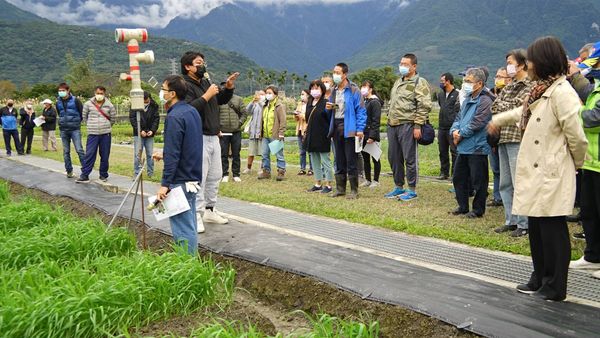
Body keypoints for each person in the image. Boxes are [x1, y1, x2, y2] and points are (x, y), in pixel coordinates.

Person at [489, 36, 588, 301]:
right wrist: (497, 120)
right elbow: (522, 111)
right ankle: (539, 277)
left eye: (531, 59)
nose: (528, 64)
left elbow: (577, 136)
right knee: (536, 226)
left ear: (543, 61)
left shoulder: (562, 92)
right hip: (536, 170)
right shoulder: (540, 89)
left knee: (552, 228)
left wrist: (575, 165)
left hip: (551, 170)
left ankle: (555, 286)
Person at [181, 51, 239, 228]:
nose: (202, 66)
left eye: (203, 63)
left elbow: (219, 100)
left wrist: (228, 87)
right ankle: (195, 215)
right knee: (199, 177)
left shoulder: (205, 81)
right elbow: (189, 109)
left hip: (214, 135)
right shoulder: (184, 86)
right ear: (188, 67)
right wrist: (206, 95)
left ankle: (209, 210)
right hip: (198, 137)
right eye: (198, 63)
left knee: (215, 176)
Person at [155, 75, 203, 255]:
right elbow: (187, 145)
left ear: (172, 94)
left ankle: (187, 265)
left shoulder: (174, 116)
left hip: (180, 179)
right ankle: (192, 263)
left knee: (182, 228)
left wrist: (165, 184)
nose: (161, 92)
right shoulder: (191, 112)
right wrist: (165, 153)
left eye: (163, 89)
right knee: (189, 223)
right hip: (193, 177)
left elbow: (175, 153)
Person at [492, 50, 534, 237]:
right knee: (505, 182)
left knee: (520, 182)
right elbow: (495, 105)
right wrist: (507, 107)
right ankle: (511, 220)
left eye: (511, 62)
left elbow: (521, 107)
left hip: (519, 138)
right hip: (503, 137)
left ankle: (524, 224)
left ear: (522, 65)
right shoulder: (509, 86)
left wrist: (505, 108)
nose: (509, 66)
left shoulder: (530, 85)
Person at [568, 42, 600, 278]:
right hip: (591, 160)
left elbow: (592, 119)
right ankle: (593, 256)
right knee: (589, 211)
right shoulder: (596, 87)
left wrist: (573, 113)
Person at [385, 54, 432, 201]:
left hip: (408, 124)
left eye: (405, 64)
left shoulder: (419, 82)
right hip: (393, 125)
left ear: (414, 66)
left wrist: (418, 125)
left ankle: (412, 189)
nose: (402, 66)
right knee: (394, 157)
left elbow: (424, 105)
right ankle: (399, 186)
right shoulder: (398, 81)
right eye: (401, 63)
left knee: (409, 158)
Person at [450, 68, 494, 218]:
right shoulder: (468, 98)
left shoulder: (486, 100)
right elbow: (458, 118)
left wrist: (460, 135)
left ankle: (477, 209)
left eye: (468, 81)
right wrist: (454, 131)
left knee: (479, 181)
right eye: (464, 81)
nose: (465, 84)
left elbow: (478, 123)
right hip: (463, 147)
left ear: (479, 83)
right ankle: (462, 206)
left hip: (477, 146)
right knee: (459, 178)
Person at [327, 62, 367, 199]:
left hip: (349, 126)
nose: (335, 75)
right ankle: (340, 188)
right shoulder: (333, 90)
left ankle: (354, 190)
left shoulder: (354, 90)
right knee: (339, 159)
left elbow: (361, 111)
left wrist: (360, 129)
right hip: (336, 126)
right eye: (334, 72)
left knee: (351, 160)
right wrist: (328, 108)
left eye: (338, 73)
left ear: (345, 74)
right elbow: (329, 112)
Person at [76, 86, 116, 183]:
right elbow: (84, 117)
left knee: (105, 155)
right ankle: (85, 174)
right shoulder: (88, 104)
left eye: (101, 93)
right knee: (89, 154)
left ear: (104, 94)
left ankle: (103, 175)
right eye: (98, 93)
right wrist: (91, 125)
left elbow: (113, 118)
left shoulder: (109, 105)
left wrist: (105, 126)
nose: (99, 95)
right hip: (92, 134)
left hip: (105, 134)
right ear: (95, 93)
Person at [305, 80, 333, 193]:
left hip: (323, 135)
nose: (314, 91)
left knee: (325, 160)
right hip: (311, 135)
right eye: (312, 88)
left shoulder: (326, 103)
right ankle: (317, 183)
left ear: (322, 90)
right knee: (314, 159)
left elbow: (329, 119)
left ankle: (329, 184)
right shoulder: (309, 102)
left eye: (317, 88)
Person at [487, 67, 510, 207]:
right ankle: (497, 197)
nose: (498, 79)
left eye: (501, 76)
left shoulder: (509, 94)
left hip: (506, 137)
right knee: (495, 169)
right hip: (493, 138)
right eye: (496, 76)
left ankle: (505, 198)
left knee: (505, 171)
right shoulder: (492, 93)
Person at [56, 83, 85, 178]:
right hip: (63, 129)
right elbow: (59, 114)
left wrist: (76, 123)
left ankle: (85, 170)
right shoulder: (58, 102)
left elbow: (82, 114)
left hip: (75, 129)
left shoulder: (76, 100)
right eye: (59, 91)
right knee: (66, 151)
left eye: (63, 90)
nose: (61, 92)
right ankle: (69, 170)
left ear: (68, 91)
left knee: (79, 150)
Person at [258, 85, 286, 181]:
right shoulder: (265, 106)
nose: (268, 95)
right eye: (267, 93)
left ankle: (281, 171)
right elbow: (262, 120)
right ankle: (266, 171)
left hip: (275, 135)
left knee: (279, 154)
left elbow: (282, 120)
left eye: (270, 93)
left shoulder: (279, 106)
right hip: (265, 135)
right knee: (264, 154)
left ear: (275, 94)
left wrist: (281, 133)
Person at [130, 91, 160, 178]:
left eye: (146, 100)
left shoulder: (154, 106)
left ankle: (150, 173)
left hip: (149, 134)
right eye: (142, 100)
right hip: (138, 134)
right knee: (137, 154)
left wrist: (152, 130)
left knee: (150, 154)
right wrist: (139, 130)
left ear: (149, 98)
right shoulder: (135, 105)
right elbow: (132, 118)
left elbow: (156, 119)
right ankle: (136, 173)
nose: (144, 102)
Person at [219, 93, 247, 182]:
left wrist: (239, 123)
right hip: (223, 131)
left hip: (236, 131)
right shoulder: (219, 100)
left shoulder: (239, 99)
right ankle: (224, 173)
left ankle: (236, 174)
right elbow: (215, 114)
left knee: (236, 153)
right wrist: (218, 127)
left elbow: (244, 113)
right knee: (223, 153)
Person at [437, 73, 460, 180]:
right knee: (442, 151)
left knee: (454, 151)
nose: (441, 83)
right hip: (442, 127)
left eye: (443, 81)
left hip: (452, 127)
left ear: (448, 81)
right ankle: (444, 172)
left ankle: (454, 174)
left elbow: (457, 111)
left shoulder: (457, 94)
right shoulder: (440, 94)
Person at [360, 80, 382, 188]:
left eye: (365, 87)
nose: (363, 89)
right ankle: (367, 179)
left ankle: (376, 180)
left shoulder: (375, 102)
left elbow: (376, 120)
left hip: (371, 134)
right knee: (365, 158)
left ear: (371, 89)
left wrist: (372, 136)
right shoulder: (364, 101)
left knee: (375, 157)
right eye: (362, 86)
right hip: (363, 133)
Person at [243, 90, 265, 174]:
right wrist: (252, 102)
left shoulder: (266, 104)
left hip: (261, 133)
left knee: (263, 152)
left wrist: (259, 101)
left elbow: (263, 108)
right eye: (260, 94)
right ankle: (248, 168)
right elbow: (247, 111)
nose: (260, 96)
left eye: (262, 94)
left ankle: (262, 169)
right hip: (253, 132)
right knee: (251, 152)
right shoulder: (255, 104)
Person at [294, 89, 312, 175]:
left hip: (307, 130)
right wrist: (296, 115)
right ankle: (302, 168)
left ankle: (311, 169)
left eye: (303, 94)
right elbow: (296, 119)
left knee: (309, 151)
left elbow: (310, 118)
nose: (301, 96)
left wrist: (302, 115)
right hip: (300, 129)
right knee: (302, 151)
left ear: (308, 95)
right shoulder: (299, 104)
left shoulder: (311, 105)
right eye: (301, 94)